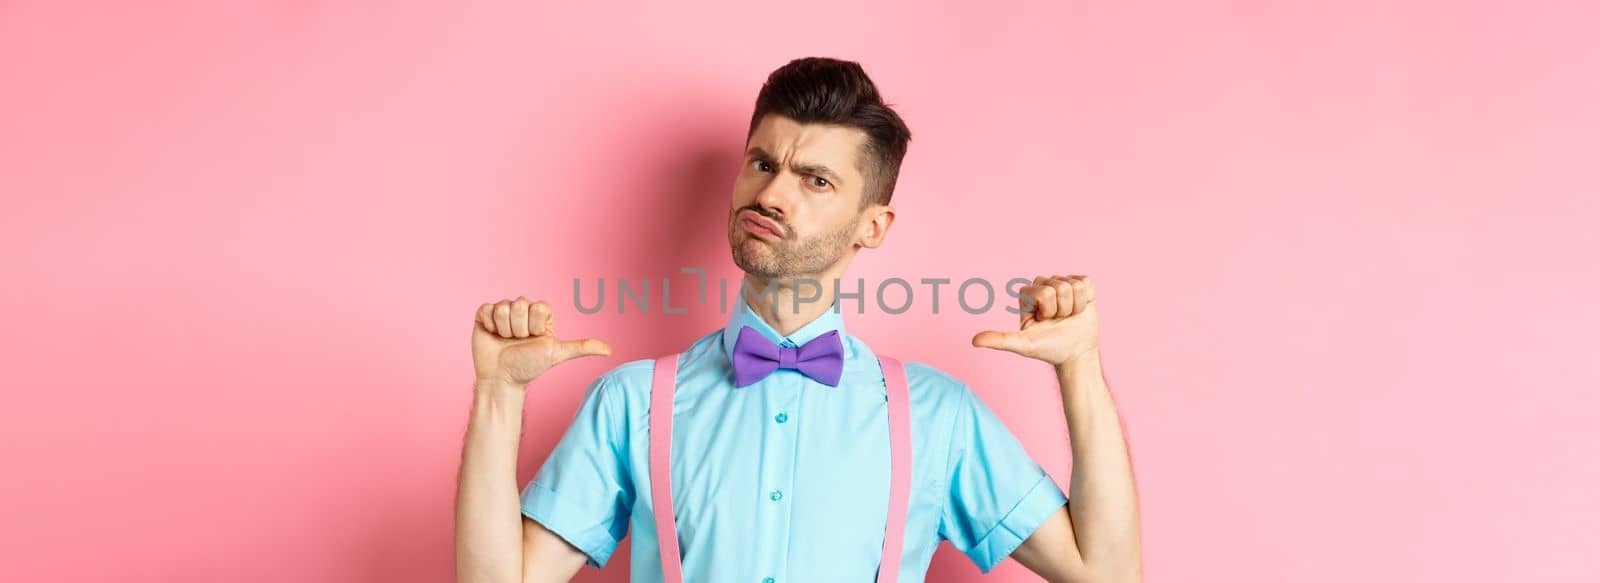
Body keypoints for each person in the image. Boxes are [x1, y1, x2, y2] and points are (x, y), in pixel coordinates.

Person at [455, 57, 1142, 583]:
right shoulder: (632, 401)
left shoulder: (938, 415)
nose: (772, 192)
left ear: (872, 225)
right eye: (761, 162)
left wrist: (1080, 366)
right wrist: (497, 394)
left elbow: (1105, 571)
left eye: (816, 180)